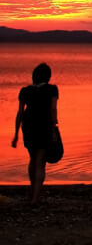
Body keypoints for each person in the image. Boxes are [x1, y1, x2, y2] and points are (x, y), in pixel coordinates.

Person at [11, 63, 59, 203]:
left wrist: (16, 135)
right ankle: (35, 198)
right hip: (44, 126)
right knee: (40, 162)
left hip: (29, 126)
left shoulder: (25, 91)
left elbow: (20, 113)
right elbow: (53, 110)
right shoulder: (52, 89)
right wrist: (54, 129)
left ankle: (32, 192)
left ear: (34, 76)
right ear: (48, 77)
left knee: (33, 159)